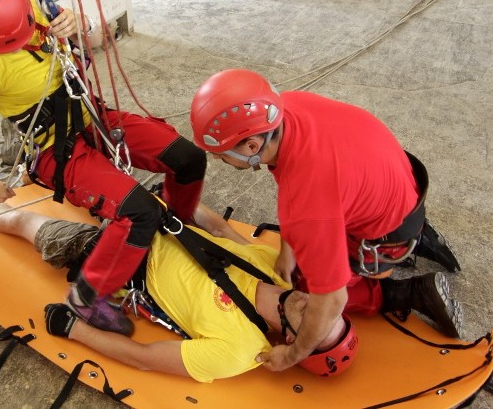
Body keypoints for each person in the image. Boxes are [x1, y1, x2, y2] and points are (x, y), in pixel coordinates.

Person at [0, 173, 354, 381]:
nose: (316, 309)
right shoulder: (274, 262)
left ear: (292, 340)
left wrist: (74, 329)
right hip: (145, 218)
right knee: (77, 171)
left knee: (25, 225)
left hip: (120, 262)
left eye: (317, 326)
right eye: (328, 312)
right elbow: (217, 229)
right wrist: (177, 199)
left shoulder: (235, 351)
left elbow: (143, 358)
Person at [0, 0, 207, 336]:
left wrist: (80, 24)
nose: (17, 45)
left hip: (94, 118)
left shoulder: (40, 11)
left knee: (189, 159)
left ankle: (179, 218)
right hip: (57, 152)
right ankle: (85, 297)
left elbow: (101, 41)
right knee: (139, 212)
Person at [189, 68, 463, 373]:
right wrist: (289, 248)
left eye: (221, 153)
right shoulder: (286, 107)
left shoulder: (306, 203)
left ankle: (411, 292)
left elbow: (331, 299)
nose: (217, 160)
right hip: (398, 185)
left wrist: (293, 354)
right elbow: (305, 179)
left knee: (303, 295)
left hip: (385, 233)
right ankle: (411, 237)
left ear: (252, 147)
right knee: (303, 262)